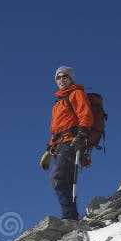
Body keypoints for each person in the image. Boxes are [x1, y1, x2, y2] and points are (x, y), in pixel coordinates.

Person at [41, 65, 94, 221]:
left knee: (58, 177)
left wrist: (82, 134)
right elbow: (57, 130)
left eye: (65, 77)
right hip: (60, 144)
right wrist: (48, 150)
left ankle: (69, 216)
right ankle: (72, 217)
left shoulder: (76, 94)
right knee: (66, 180)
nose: (61, 80)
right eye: (58, 77)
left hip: (72, 142)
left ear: (71, 78)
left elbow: (86, 115)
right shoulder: (57, 103)